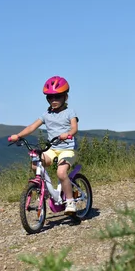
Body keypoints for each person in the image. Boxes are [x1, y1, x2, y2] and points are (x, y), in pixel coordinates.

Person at [9, 76, 79, 214]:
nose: (54, 100)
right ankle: (45, 189)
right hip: (52, 149)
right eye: (50, 97)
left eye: (57, 97)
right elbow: (32, 127)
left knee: (61, 172)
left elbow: (74, 128)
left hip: (68, 150)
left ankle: (70, 202)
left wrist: (69, 134)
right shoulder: (46, 114)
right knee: (36, 163)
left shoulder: (70, 112)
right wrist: (18, 136)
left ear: (65, 97)